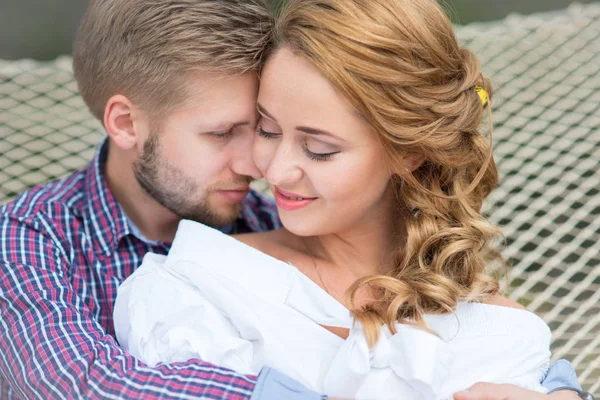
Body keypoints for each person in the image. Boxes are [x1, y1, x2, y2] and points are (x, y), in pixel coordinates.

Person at [0, 0, 585, 399]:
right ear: (125, 123)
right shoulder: (34, 238)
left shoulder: (256, 211)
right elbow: (85, 383)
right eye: (224, 132)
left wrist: (556, 384)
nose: (263, 166)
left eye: (259, 125)